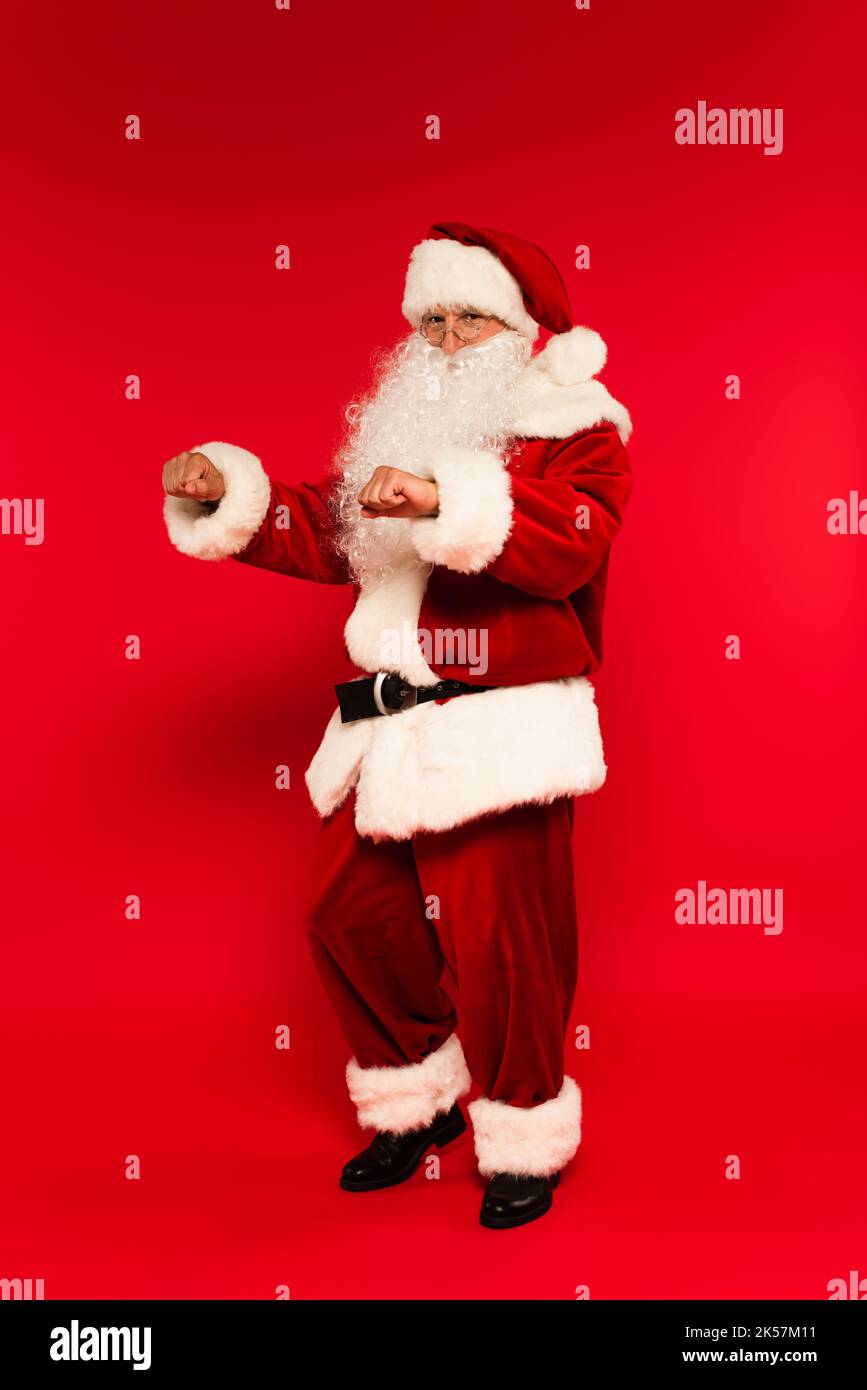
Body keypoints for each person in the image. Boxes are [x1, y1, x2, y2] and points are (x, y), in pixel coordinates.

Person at [161, 221, 633, 1229]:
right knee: (349, 917)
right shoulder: (403, 433)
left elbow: (570, 546)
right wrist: (229, 492)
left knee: (505, 944)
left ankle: (521, 1132)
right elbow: (336, 530)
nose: (449, 337)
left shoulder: (579, 430)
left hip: (500, 730)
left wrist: (446, 498)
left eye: (472, 317)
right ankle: (415, 1100)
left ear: (518, 329)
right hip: (391, 725)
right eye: (435, 317)